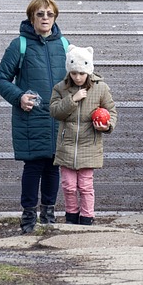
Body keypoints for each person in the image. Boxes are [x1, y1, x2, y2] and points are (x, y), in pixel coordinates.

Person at [0, 0, 69, 234]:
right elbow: (0, 78)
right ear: (31, 17)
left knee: (53, 165)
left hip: (57, 116)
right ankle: (28, 216)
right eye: (40, 14)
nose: (45, 18)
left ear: (55, 17)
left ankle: (48, 213)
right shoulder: (20, 45)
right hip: (31, 116)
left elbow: (77, 77)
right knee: (34, 165)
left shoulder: (65, 45)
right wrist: (19, 96)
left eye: (50, 14)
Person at [50, 44, 117, 225]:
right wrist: (73, 99)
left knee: (86, 186)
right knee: (69, 186)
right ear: (69, 71)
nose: (78, 77)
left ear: (89, 70)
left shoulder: (100, 88)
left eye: (81, 73)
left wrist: (106, 126)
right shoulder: (61, 88)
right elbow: (55, 111)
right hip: (67, 147)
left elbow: (112, 111)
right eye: (74, 73)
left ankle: (87, 217)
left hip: (90, 146)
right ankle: (71, 215)